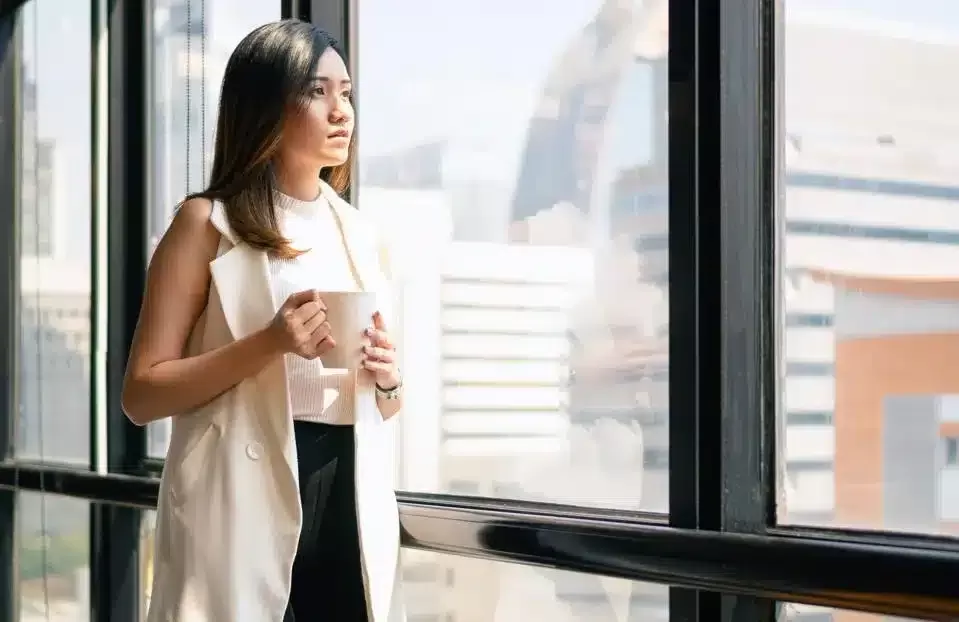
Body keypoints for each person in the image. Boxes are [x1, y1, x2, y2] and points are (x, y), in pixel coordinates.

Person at [121, 19, 405, 622]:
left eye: (346, 92)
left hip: (347, 488)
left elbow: (386, 403)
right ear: (266, 107)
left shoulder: (362, 236)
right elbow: (141, 394)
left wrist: (388, 379)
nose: (341, 111)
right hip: (239, 489)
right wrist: (268, 344)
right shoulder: (204, 225)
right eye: (316, 91)